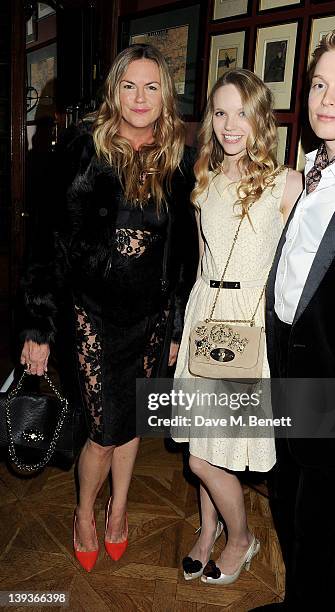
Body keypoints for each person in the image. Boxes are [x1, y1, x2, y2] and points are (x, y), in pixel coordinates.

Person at [19, 43, 196, 572]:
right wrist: (39, 326)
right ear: (114, 92)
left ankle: (118, 511)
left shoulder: (179, 158)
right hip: (91, 315)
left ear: (164, 96)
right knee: (102, 428)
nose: (140, 98)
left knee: (134, 421)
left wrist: (176, 325)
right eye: (129, 86)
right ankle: (84, 515)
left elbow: (185, 253)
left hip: (151, 317)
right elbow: (45, 243)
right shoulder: (79, 149)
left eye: (151, 87)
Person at [253, 29, 335, 612]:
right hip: (285, 384)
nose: (327, 100)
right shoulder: (305, 170)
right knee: (286, 507)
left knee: (319, 532)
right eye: (320, 85)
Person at [173, 69, 302, 585]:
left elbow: (305, 267)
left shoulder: (286, 182)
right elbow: (197, 260)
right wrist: (183, 330)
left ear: (260, 118)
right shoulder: (203, 173)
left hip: (248, 328)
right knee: (204, 445)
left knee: (205, 457)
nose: (230, 125)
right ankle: (208, 534)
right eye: (221, 112)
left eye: (241, 112)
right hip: (204, 317)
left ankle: (242, 538)